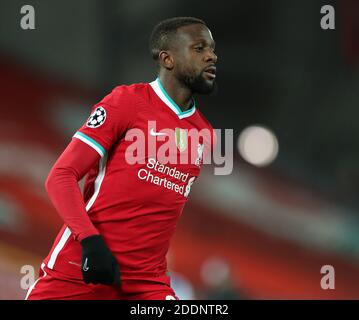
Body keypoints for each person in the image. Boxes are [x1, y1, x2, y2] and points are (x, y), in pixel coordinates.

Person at [26, 16, 217, 300]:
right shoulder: (126, 102)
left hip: (145, 284)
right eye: (199, 48)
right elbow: (61, 176)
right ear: (167, 59)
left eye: (213, 49)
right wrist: (90, 242)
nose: (212, 56)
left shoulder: (205, 134)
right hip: (81, 269)